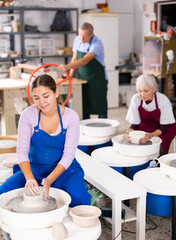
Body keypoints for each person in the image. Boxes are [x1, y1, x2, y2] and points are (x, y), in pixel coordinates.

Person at [0, 74, 91, 207]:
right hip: (34, 169)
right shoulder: (28, 115)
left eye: (46, 96)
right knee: (3, 193)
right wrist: (29, 178)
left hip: (64, 170)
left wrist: (49, 180)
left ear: (56, 92)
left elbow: (68, 155)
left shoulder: (71, 117)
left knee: (80, 199)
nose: (41, 102)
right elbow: (22, 151)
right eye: (36, 98)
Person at [58, 22, 108, 119]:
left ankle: (104, 128)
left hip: (98, 80)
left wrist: (67, 67)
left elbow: (85, 60)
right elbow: (75, 58)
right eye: (80, 35)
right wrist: (70, 75)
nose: (81, 39)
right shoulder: (77, 40)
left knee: (100, 106)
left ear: (91, 35)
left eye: (84, 36)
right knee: (84, 105)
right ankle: (86, 128)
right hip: (82, 79)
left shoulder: (97, 43)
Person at [125, 73, 176, 155]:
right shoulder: (135, 99)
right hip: (146, 125)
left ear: (154, 89)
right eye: (140, 91)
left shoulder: (163, 100)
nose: (142, 95)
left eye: (146, 91)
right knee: (135, 148)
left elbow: (164, 128)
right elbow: (135, 124)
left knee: (154, 150)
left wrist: (150, 135)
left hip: (164, 129)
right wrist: (129, 132)